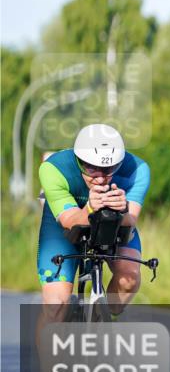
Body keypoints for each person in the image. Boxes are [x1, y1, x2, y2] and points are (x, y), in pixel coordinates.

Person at [36, 123, 150, 324]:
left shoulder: (137, 170)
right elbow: (69, 220)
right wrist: (89, 209)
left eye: (108, 169)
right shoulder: (54, 168)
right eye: (90, 167)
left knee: (130, 278)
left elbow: (130, 221)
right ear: (78, 160)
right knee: (56, 304)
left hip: (115, 222)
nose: (99, 178)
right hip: (66, 223)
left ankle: (104, 319)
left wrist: (122, 210)